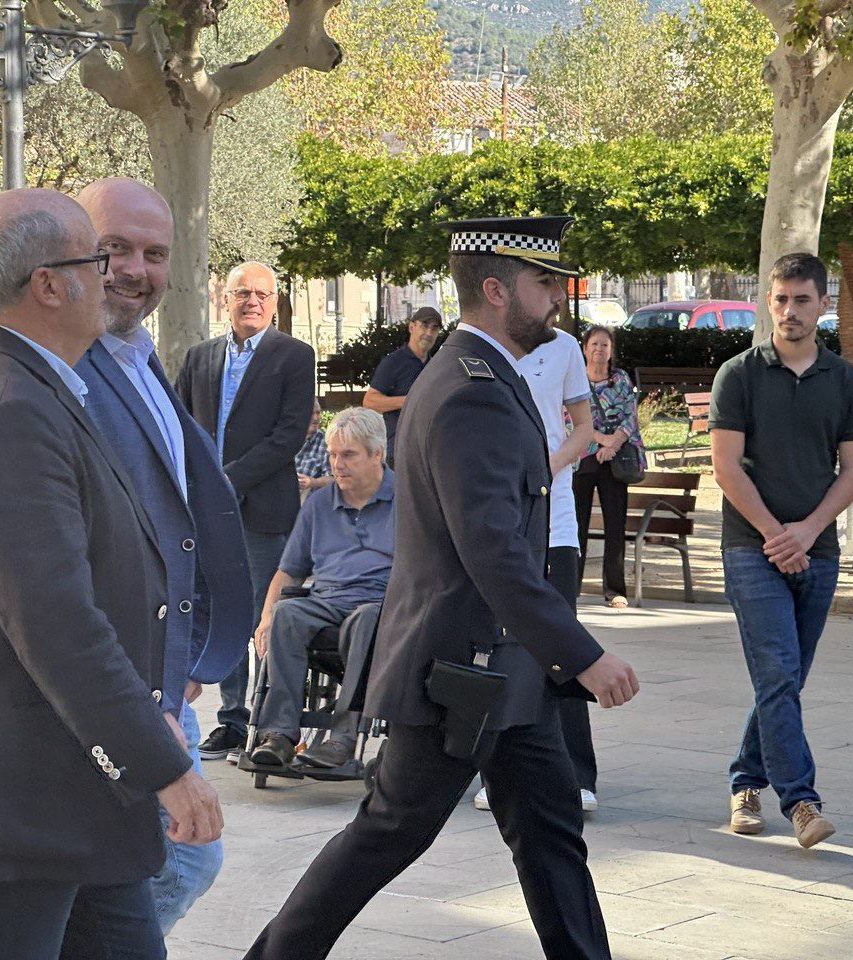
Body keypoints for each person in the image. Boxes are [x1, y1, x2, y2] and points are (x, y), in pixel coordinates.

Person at [243, 216, 639, 960]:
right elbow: (490, 550)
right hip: (463, 671)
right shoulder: (471, 390)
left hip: (500, 668)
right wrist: (581, 655)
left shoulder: (481, 375)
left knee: (552, 840)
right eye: (543, 283)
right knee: (389, 831)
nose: (558, 299)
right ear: (495, 289)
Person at [0, 188, 223, 959]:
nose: (114, 276)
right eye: (96, 260)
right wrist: (164, 766)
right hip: (23, 797)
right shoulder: (7, 409)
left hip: (73, 793)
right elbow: (55, 622)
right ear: (48, 284)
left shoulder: (27, 385)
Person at [73, 177, 253, 933]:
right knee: (174, 859)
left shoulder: (142, 360)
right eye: (112, 248)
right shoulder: (64, 374)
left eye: (153, 253)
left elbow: (185, 516)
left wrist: (186, 656)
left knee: (170, 859)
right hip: (112, 686)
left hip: (161, 679)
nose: (133, 270)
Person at [710, 252, 853, 849]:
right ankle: (801, 801)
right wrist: (778, 534)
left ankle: (745, 781)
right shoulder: (739, 375)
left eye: (802, 299)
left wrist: (806, 532)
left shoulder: (846, 381)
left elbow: (852, 472)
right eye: (780, 298)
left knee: (784, 681)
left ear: (822, 304)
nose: (789, 310)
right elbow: (726, 467)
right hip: (751, 550)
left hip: (817, 551)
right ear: (767, 301)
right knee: (777, 673)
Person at [176, 263, 316, 764]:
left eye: (261, 293)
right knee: (216, 612)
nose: (251, 301)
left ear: (275, 302)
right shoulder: (199, 358)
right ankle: (232, 720)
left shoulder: (295, 356)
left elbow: (289, 432)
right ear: (225, 299)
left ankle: (268, 722)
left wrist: (227, 481)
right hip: (203, 513)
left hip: (261, 508)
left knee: (264, 614)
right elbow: (181, 425)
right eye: (242, 293)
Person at [475, 326, 598, 812]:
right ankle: (499, 771)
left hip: (555, 520)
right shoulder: (479, 346)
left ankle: (577, 774)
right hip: (499, 518)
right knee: (501, 646)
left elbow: (584, 428)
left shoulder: (565, 347)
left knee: (560, 640)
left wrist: (546, 468)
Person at [249, 407, 392, 771]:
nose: (336, 464)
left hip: (381, 605)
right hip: (326, 601)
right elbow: (289, 572)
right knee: (286, 613)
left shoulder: (409, 500)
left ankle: (342, 738)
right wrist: (266, 616)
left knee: (367, 619)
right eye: (332, 454)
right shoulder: (318, 504)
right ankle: (279, 734)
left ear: (377, 454)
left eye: (348, 455)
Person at [573, 324, 645, 608]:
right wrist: (600, 440)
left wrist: (613, 444)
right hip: (584, 457)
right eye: (594, 344)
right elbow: (568, 416)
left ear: (611, 350)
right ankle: (571, 585)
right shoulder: (575, 379)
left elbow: (631, 415)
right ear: (585, 348)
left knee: (615, 524)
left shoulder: (621, 380)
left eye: (605, 345)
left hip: (615, 460)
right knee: (576, 524)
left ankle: (614, 590)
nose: (599, 349)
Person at [362, 306, 442, 467]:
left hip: (428, 450)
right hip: (397, 450)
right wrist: (408, 401)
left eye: (434, 328)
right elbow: (369, 401)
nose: (428, 333)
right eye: (424, 325)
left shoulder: (436, 365)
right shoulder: (393, 362)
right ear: (411, 327)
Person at [295, 398, 333, 494]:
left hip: (305, 498)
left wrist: (313, 482)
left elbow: (333, 479)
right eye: (311, 413)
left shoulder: (326, 442)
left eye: (318, 413)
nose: (316, 418)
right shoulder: (287, 438)